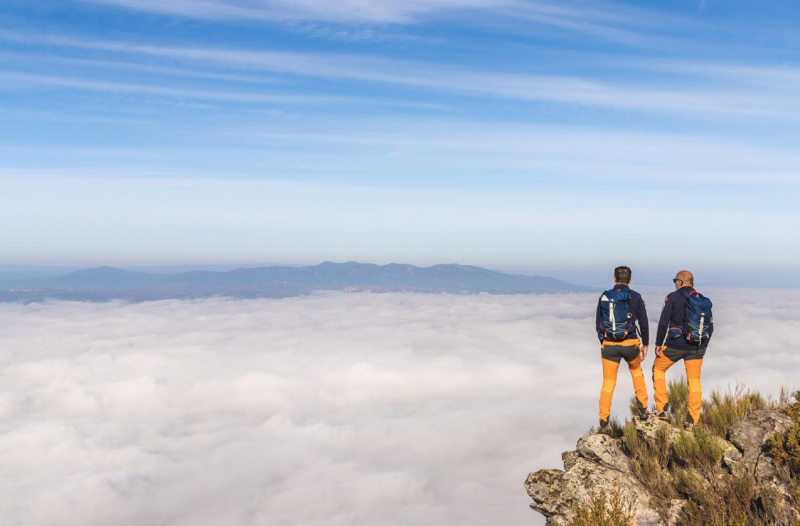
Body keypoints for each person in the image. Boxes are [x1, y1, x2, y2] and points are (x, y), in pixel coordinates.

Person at [653, 270, 714, 431]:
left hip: (675, 345)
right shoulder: (703, 300)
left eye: (675, 280)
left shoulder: (673, 297)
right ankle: (692, 420)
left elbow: (663, 322)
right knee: (694, 381)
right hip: (697, 347)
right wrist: (703, 346)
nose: (675, 283)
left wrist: (658, 343)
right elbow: (711, 326)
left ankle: (662, 410)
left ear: (680, 281)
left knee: (658, 369)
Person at [595, 266, 649, 431]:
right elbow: (644, 323)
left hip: (609, 347)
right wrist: (645, 344)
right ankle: (643, 410)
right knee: (636, 372)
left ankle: (604, 422)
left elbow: (598, 323)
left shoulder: (605, 296)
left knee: (608, 384)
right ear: (630, 280)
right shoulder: (636, 297)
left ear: (614, 278)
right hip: (630, 344)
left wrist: (604, 342)